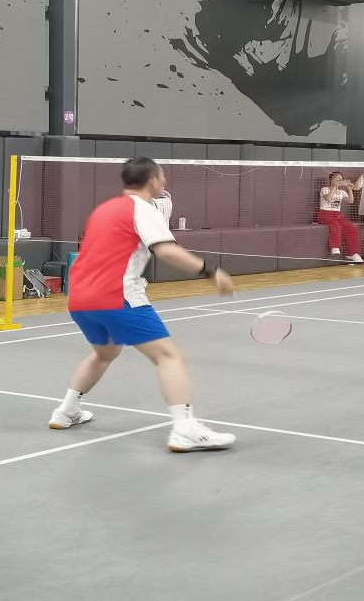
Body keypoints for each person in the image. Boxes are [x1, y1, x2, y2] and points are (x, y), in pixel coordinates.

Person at [49, 157, 237, 453]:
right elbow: (166, 251)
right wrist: (211, 271)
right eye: (162, 176)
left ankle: (66, 410)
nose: (164, 181)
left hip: (80, 297)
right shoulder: (144, 209)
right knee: (169, 356)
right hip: (116, 295)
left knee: (106, 352)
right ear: (152, 180)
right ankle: (185, 429)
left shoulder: (103, 209)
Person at [317, 172, 363, 262]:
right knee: (336, 226)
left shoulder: (342, 192)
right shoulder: (324, 189)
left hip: (337, 215)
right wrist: (334, 187)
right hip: (325, 214)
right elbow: (328, 198)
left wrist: (350, 189)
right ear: (331, 180)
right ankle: (335, 250)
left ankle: (352, 254)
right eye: (337, 179)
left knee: (352, 228)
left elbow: (350, 201)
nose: (339, 180)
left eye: (340, 179)